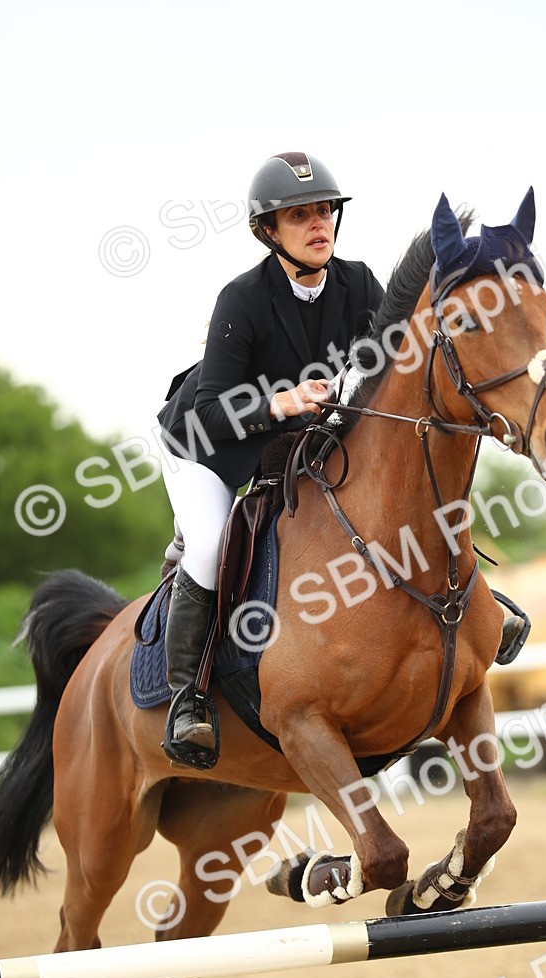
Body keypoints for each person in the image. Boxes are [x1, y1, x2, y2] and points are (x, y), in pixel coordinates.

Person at [157, 151, 384, 765]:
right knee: (210, 542)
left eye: (324, 212)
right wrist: (281, 401)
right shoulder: (243, 299)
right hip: (207, 448)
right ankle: (188, 698)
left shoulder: (359, 284)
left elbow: (388, 369)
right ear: (269, 231)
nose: (319, 225)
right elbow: (208, 412)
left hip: (296, 442)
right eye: (300, 216)